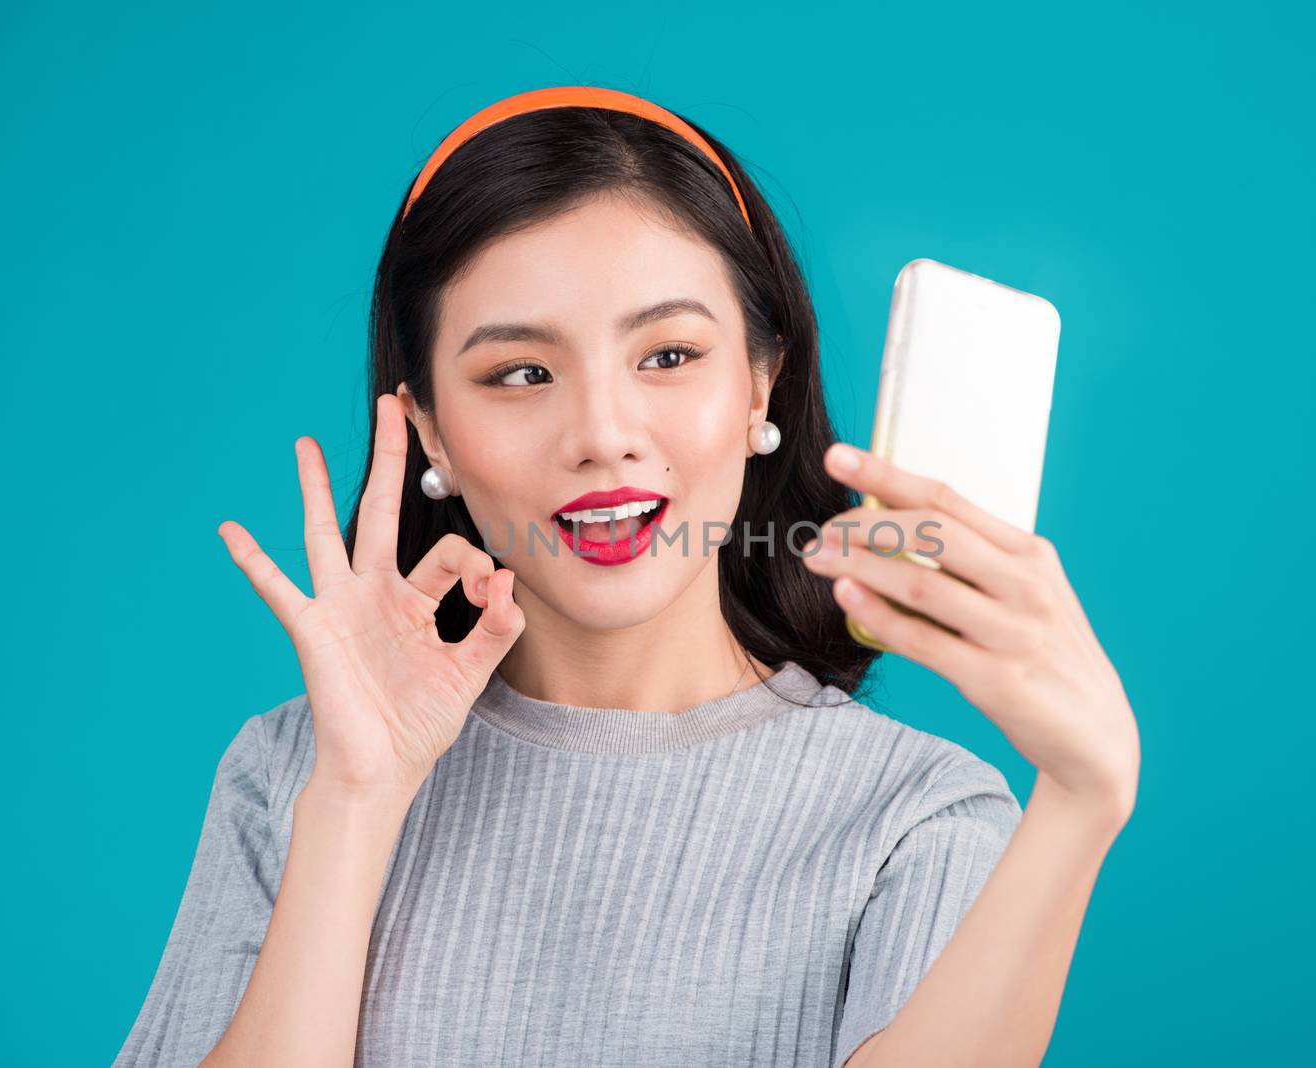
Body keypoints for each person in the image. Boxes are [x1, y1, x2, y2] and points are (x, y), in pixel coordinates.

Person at [114, 85, 1141, 1068]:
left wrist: (1082, 800)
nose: (603, 435)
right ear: (427, 423)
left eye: (667, 356)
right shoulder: (290, 773)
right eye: (520, 373)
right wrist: (356, 798)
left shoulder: (914, 815)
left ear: (758, 382)